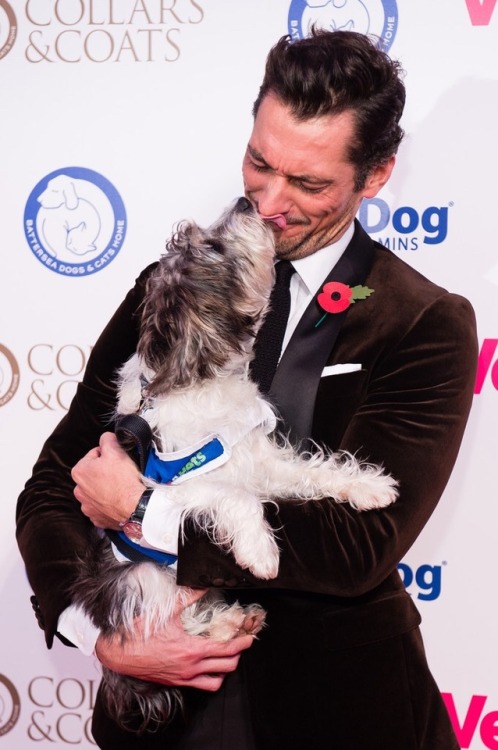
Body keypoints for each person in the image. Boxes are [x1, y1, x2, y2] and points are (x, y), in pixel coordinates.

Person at [16, 29, 477, 750]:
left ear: (377, 174)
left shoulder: (423, 322)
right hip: (163, 721)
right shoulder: (170, 290)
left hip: (340, 715)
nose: (268, 202)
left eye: (309, 184)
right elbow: (55, 482)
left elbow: (359, 543)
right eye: (260, 163)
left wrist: (146, 510)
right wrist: (101, 630)